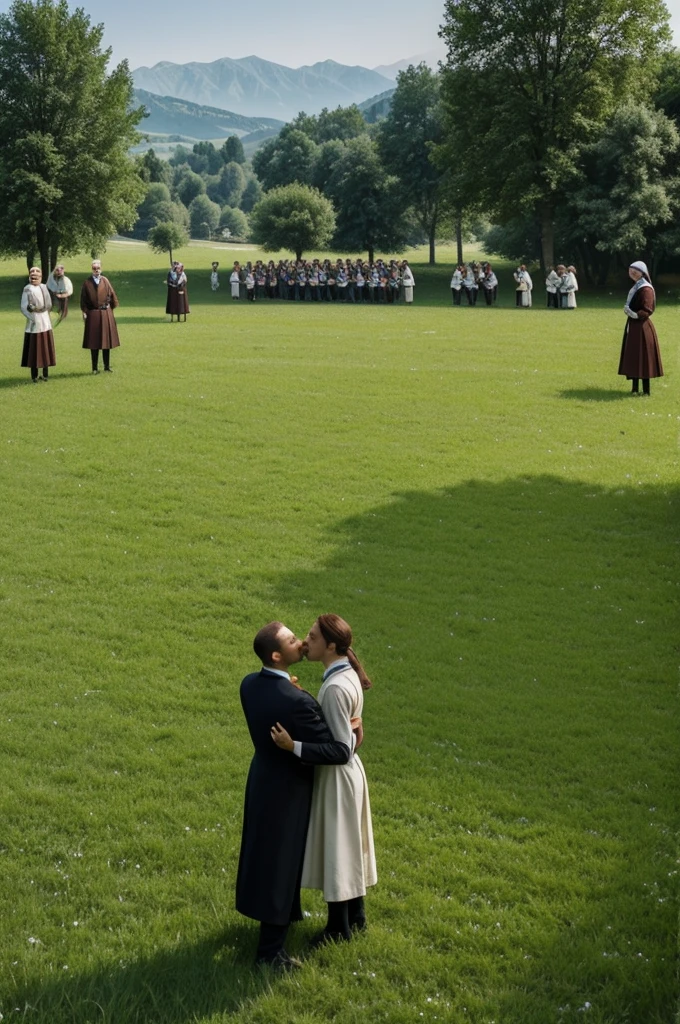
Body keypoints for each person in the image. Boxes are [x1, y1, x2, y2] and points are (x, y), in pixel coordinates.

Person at [236, 621, 354, 971]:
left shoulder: (249, 684)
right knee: (282, 866)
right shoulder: (297, 701)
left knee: (262, 857)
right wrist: (353, 732)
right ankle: (270, 953)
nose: (301, 642)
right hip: (289, 792)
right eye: (291, 640)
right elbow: (336, 750)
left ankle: (267, 934)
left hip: (261, 780)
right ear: (277, 655)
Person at [272, 614, 377, 946]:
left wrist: (293, 746)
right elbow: (339, 728)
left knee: (337, 850)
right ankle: (356, 917)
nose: (306, 642)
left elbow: (340, 749)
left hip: (337, 777)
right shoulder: (346, 673)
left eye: (314, 637)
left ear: (331, 646)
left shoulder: (334, 687)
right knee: (348, 847)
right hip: (349, 775)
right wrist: (303, 697)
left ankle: (337, 928)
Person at [619, 260, 663, 396]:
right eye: (630, 271)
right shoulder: (637, 286)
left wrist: (633, 314)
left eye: (635, 271)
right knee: (634, 356)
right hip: (634, 326)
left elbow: (647, 309)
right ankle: (634, 388)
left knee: (643, 357)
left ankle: (646, 390)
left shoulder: (645, 288)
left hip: (642, 327)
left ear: (642, 273)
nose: (632, 273)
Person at [80, 260, 120, 374]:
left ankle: (106, 367)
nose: (96, 270)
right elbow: (83, 300)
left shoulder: (105, 281)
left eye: (98, 268)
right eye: (94, 268)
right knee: (94, 342)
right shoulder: (87, 283)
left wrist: (110, 310)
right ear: (91, 269)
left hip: (105, 313)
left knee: (106, 342)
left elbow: (112, 296)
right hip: (93, 314)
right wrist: (85, 311)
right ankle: (94, 368)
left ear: (101, 268)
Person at [21, 267, 55, 382]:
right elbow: (24, 306)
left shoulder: (44, 287)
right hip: (34, 319)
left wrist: (46, 314)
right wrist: (32, 318)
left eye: (37, 274)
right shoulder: (27, 289)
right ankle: (34, 375)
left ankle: (45, 374)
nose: (34, 276)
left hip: (44, 319)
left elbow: (48, 303)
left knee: (45, 345)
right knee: (34, 346)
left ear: (41, 277)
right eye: (32, 274)